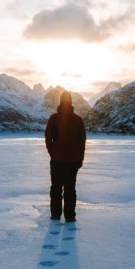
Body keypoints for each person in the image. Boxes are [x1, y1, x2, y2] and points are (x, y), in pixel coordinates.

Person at [44, 92, 86, 222]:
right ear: (71, 102)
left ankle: (55, 215)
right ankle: (70, 216)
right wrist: (80, 159)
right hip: (73, 161)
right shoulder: (78, 120)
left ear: (60, 101)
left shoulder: (54, 118)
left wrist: (53, 152)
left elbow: (47, 138)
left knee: (56, 188)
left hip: (57, 161)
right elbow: (82, 142)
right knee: (70, 189)